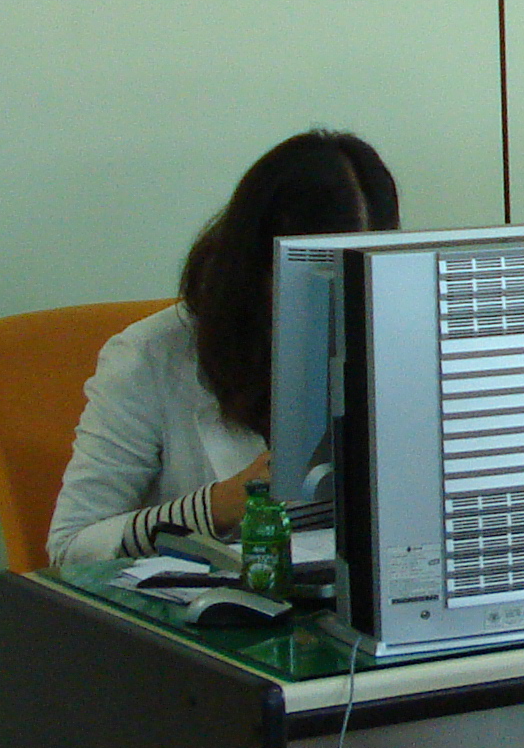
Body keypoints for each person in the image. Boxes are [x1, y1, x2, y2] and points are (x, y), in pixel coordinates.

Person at [45, 128, 399, 564]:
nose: (339, 304)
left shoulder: (396, 343)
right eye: (319, 277)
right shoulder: (149, 356)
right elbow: (70, 548)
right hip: (212, 600)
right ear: (258, 264)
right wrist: (221, 504)